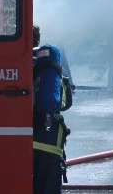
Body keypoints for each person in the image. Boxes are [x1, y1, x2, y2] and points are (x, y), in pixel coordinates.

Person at [32, 25, 71, 194]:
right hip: (51, 143)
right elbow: (66, 103)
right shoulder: (50, 67)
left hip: (25, 141)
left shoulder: (15, 63)